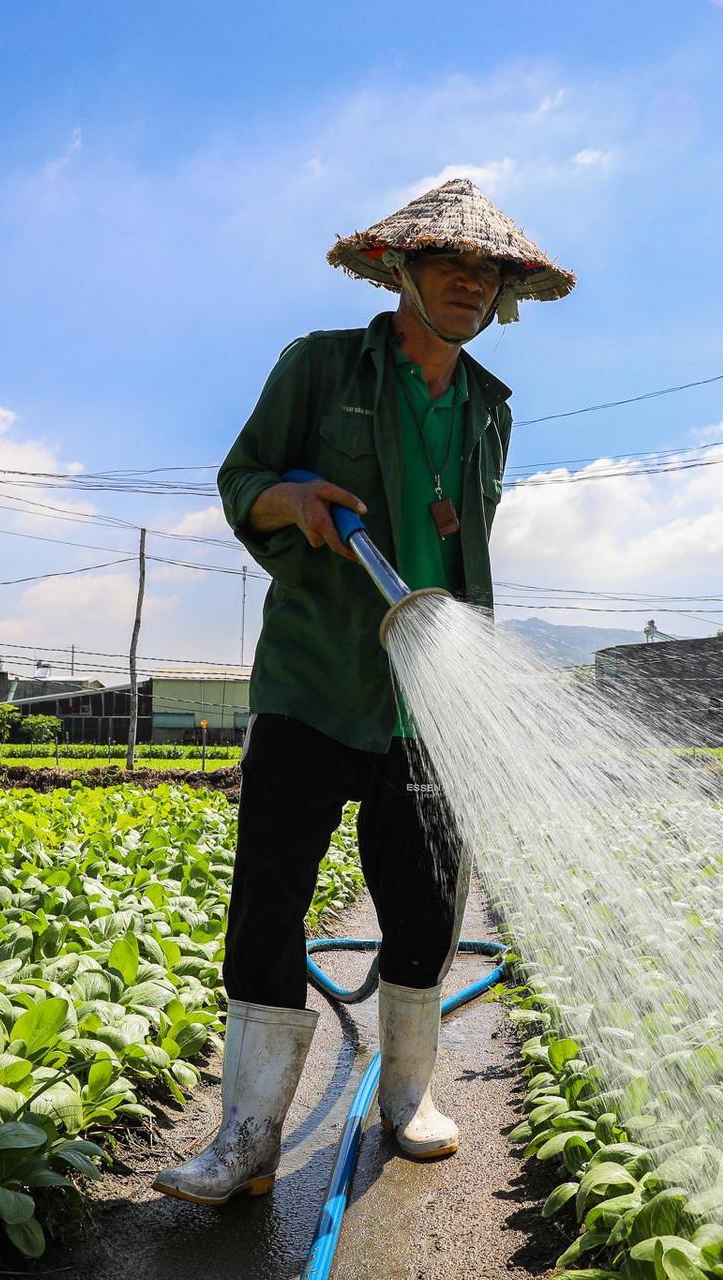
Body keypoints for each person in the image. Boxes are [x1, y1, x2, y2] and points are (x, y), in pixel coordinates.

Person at [153, 179, 574, 1206]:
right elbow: (243, 475)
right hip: (316, 672)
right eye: (450, 268)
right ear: (402, 274)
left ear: (506, 295)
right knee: (270, 900)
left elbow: (463, 542)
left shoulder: (488, 408)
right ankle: (248, 1132)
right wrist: (284, 496)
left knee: (427, 898)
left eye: (489, 275)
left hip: (432, 688)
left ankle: (410, 1095)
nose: (471, 286)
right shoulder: (321, 366)